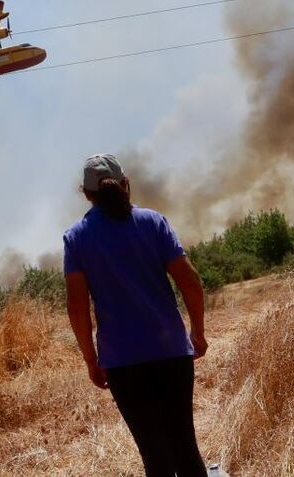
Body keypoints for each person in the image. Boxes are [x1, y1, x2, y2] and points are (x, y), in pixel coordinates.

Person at [63, 153, 209, 477]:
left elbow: (76, 306)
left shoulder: (76, 238)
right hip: (172, 352)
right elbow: (190, 281)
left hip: (122, 362)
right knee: (185, 447)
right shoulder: (153, 222)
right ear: (125, 183)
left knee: (154, 455)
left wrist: (91, 359)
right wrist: (197, 331)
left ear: (86, 194)